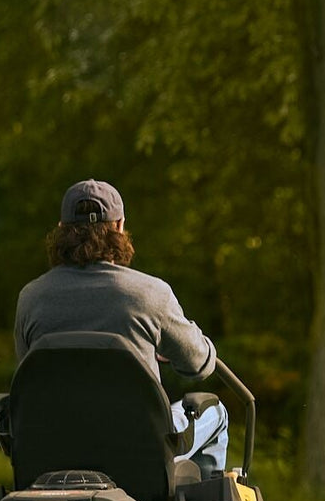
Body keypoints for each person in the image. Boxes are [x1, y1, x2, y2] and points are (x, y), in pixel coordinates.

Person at [13, 179, 229, 473]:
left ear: (61, 229)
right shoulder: (151, 294)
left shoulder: (30, 299)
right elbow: (200, 365)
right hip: (141, 451)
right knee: (215, 412)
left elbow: (29, 377)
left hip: (54, 451)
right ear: (119, 227)